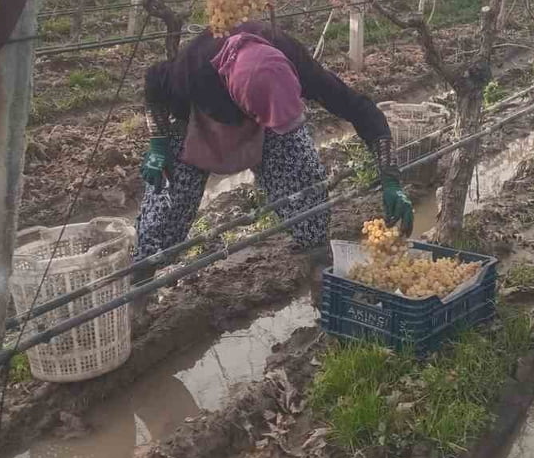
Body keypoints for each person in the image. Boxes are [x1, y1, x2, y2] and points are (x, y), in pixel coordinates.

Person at [135, 20, 414, 275]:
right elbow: (153, 83)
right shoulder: (193, 68)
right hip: (203, 121)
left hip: (264, 124)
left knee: (304, 177)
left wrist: (391, 178)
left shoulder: (293, 59)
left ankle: (316, 256)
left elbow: (362, 110)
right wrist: (158, 145)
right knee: (167, 201)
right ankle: (144, 275)